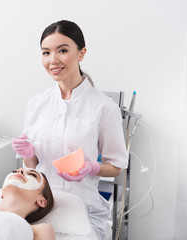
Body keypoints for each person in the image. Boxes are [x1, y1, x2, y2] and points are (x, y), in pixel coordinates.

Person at [12, 20, 128, 239]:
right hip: (41, 206)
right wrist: (28, 155)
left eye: (62, 50)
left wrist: (91, 168)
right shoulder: (36, 104)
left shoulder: (104, 107)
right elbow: (33, 166)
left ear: (81, 53)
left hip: (83, 209)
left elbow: (116, 167)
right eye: (46, 53)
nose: (52, 60)